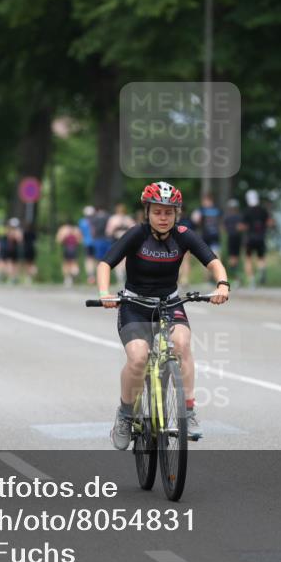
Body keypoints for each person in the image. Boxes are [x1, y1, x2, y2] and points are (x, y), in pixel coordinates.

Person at [96, 181, 230, 450]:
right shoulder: (137, 234)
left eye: (169, 212)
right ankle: (125, 416)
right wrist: (104, 293)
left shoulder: (183, 235)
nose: (163, 217)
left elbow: (213, 261)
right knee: (138, 358)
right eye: (157, 212)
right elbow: (105, 264)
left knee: (181, 344)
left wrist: (222, 284)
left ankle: (188, 412)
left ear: (176, 214)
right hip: (134, 304)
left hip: (169, 303)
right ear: (147, 212)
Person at [242, 189, 274, 288]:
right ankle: (262, 270)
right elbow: (270, 222)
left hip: (250, 238)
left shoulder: (246, 211)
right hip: (261, 237)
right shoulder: (263, 210)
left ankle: (251, 280)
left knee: (248, 259)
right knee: (261, 257)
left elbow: (243, 226)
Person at [106, 203, 136, 284]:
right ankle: (120, 278)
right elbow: (109, 232)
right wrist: (115, 228)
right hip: (117, 241)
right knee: (118, 259)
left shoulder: (128, 219)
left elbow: (134, 230)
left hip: (126, 241)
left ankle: (126, 277)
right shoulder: (113, 219)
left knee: (126, 259)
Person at [55, 219, 83, 287]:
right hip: (74, 248)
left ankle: (68, 277)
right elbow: (80, 240)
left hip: (67, 247)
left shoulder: (63, 229)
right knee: (73, 262)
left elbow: (58, 240)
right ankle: (74, 273)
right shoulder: (76, 230)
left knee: (66, 263)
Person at [223, 199, 243, 284]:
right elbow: (241, 227)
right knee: (236, 258)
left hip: (231, 237)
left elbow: (224, 229)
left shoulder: (227, 217)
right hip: (237, 237)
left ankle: (235, 276)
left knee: (232, 258)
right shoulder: (240, 217)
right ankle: (237, 277)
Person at [78, 206, 96, 284]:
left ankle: (90, 276)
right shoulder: (96, 221)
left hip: (86, 242)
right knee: (96, 259)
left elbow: (80, 233)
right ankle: (95, 276)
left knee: (89, 260)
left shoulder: (82, 222)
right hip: (95, 242)